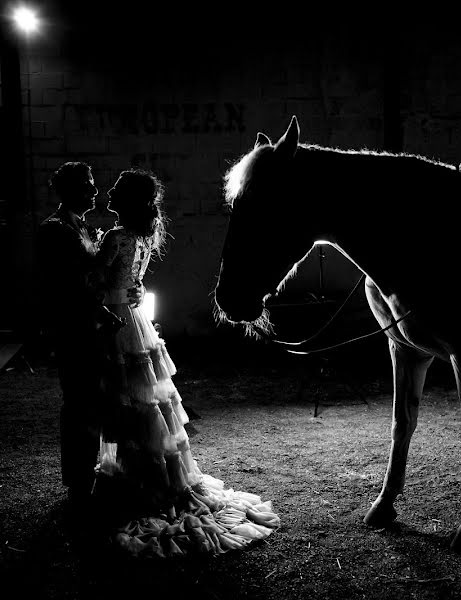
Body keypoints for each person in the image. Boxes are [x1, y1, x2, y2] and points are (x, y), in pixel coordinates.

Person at [92, 168, 279, 557]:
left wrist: (91, 261)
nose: (108, 192)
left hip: (115, 320)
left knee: (127, 400)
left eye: (116, 189)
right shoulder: (142, 238)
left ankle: (134, 480)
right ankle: (153, 475)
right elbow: (133, 282)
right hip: (135, 317)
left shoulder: (114, 237)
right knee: (147, 401)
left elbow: (94, 283)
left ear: (124, 200)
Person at [35, 162, 141, 520]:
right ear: (66, 190)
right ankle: (77, 484)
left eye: (93, 184)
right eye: (86, 185)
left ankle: (90, 475)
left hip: (96, 329)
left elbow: (97, 277)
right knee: (78, 400)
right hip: (75, 328)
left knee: (94, 401)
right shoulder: (54, 230)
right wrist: (99, 312)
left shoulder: (83, 226)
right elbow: (64, 286)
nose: (95, 192)